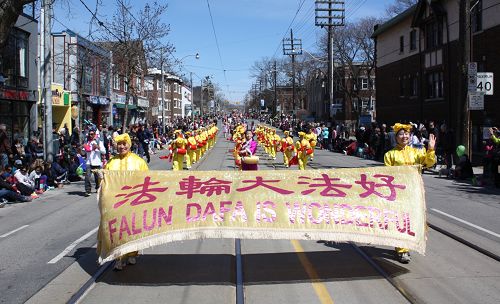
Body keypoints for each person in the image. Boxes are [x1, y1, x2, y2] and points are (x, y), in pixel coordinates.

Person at [384, 123, 436, 263]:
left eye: (407, 134)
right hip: (398, 194)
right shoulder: (390, 155)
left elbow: (429, 163)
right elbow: (387, 176)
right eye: (401, 134)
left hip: (414, 192)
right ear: (396, 137)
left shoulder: (417, 152)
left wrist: (431, 149)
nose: (404, 136)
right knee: (400, 220)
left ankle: (407, 245)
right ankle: (402, 250)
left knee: (411, 221)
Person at [102, 133, 148, 270]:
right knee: (117, 231)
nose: (121, 147)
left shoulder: (139, 162)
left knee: (132, 229)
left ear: (129, 144)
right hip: (116, 203)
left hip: (134, 201)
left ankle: (132, 253)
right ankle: (119, 257)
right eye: (119, 144)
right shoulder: (111, 162)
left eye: (124, 144)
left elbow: (147, 180)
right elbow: (104, 182)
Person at [84, 130, 106, 196]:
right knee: (87, 177)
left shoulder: (99, 141)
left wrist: (98, 147)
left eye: (92, 134)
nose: (90, 136)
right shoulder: (87, 142)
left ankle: (97, 188)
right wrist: (81, 149)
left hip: (97, 162)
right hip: (88, 162)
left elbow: (104, 151)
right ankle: (88, 190)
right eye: (89, 134)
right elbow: (83, 153)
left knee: (97, 177)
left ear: (94, 135)